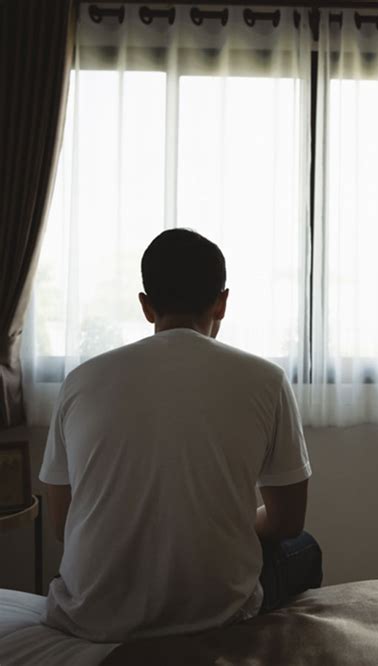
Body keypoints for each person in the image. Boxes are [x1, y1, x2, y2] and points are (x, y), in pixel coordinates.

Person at [39, 228, 322, 643]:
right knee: (306, 548)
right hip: (217, 612)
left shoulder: (80, 381)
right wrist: (219, 521)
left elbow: (63, 524)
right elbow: (287, 522)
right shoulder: (266, 380)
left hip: (93, 615)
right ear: (222, 302)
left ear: (146, 306)